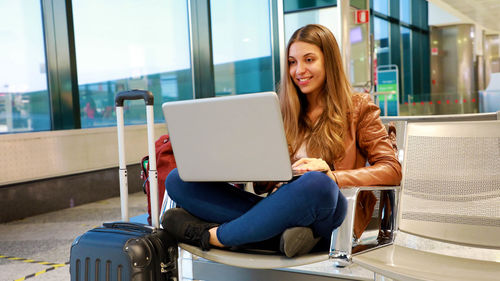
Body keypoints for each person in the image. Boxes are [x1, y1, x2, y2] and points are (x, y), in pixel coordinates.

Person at [162, 24, 402, 258]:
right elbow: (264, 185)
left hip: (329, 211)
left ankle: (215, 237)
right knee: (178, 180)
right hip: (280, 206)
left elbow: (392, 170)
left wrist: (333, 176)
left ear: (329, 61)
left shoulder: (359, 108)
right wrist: (242, 161)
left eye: (309, 60)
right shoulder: (281, 110)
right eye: (292, 62)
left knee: (316, 183)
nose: (299, 70)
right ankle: (279, 238)